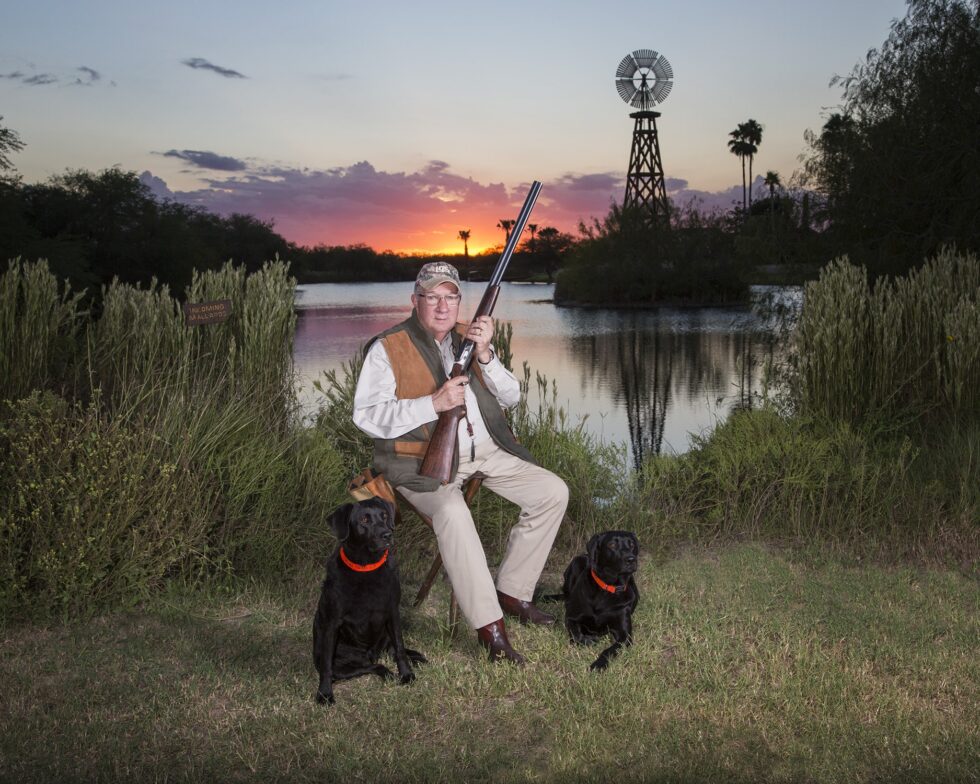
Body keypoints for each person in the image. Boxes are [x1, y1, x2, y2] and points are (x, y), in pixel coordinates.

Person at [352, 261, 568, 664]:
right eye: (431, 297)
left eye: (450, 297)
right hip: (418, 466)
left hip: (485, 453)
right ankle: (491, 629)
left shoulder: (469, 341)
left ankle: (514, 591)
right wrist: (432, 404)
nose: (441, 306)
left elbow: (511, 397)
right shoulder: (388, 348)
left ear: (458, 302)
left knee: (553, 492)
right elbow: (366, 415)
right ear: (414, 301)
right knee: (452, 512)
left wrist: (485, 354)